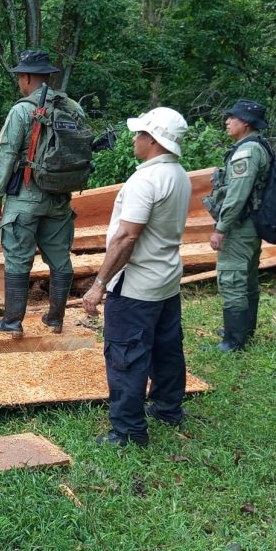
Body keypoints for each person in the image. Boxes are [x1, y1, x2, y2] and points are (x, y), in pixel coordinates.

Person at [82, 107, 190, 447]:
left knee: (126, 357)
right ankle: (168, 407)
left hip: (137, 288)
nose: (135, 139)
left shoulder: (146, 180)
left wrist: (99, 284)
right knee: (167, 348)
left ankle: (128, 431)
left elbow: (127, 238)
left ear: (154, 141)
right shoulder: (179, 174)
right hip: (166, 281)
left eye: (140, 133)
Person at [0, 50, 83, 338]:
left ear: (27, 77)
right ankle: (55, 318)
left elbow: (6, 155)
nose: (19, 82)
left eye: (20, 77)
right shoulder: (73, 108)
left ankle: (13, 321)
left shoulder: (22, 110)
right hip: (60, 197)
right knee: (59, 257)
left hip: (26, 196)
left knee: (18, 257)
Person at [203, 99, 271, 351]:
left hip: (240, 226)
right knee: (246, 277)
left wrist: (221, 228)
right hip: (250, 224)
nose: (227, 122)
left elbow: (237, 194)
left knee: (232, 278)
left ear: (245, 122)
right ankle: (242, 330)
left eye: (232, 117)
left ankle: (233, 342)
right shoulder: (256, 146)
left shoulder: (247, 150)